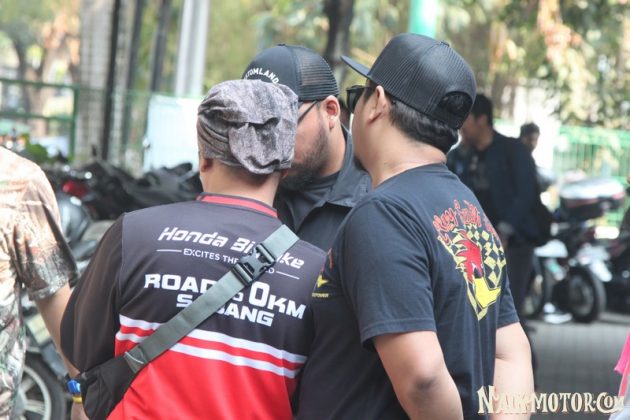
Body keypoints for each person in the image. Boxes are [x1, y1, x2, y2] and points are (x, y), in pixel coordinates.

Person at [296, 33, 533, 419]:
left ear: (379, 103)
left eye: (356, 96)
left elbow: (423, 377)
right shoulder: (467, 209)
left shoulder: (383, 215)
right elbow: (511, 353)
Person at [60, 80, 326, 419]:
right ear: (285, 168)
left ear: (204, 157)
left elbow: (80, 352)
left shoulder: (134, 234)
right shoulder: (315, 271)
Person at [242, 44, 370, 251]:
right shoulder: (239, 180)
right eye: (256, 127)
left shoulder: (376, 198)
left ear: (330, 111)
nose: (269, 142)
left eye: (283, 125)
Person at [0, 147, 81, 417]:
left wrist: (82, 390)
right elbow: (53, 296)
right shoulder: (17, 177)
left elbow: (52, 294)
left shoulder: (19, 181)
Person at [455, 94, 541, 318]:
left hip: (514, 243)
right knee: (480, 310)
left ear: (482, 119)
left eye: (466, 119)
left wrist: (504, 231)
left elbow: (525, 194)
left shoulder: (513, 150)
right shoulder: (466, 155)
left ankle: (519, 344)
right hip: (481, 243)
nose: (461, 126)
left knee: (507, 312)